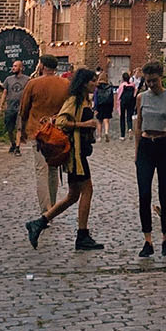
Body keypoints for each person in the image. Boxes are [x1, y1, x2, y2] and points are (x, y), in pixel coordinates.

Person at [25, 68, 104, 251]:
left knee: (73, 195)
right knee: (87, 191)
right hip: (75, 154)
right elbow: (61, 122)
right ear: (84, 83)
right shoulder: (74, 101)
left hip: (81, 152)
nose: (95, 84)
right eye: (93, 81)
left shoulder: (84, 101)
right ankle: (82, 235)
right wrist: (84, 124)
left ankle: (39, 222)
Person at [132, 62, 166, 258]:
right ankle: (147, 240)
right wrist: (137, 151)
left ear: (161, 78)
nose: (151, 85)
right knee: (144, 194)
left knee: (164, 194)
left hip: (164, 146)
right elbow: (139, 125)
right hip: (146, 145)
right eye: (148, 81)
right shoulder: (141, 98)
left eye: (154, 81)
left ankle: (165, 238)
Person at [16, 55, 71, 215]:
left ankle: (45, 208)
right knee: (53, 169)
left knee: (41, 170)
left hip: (38, 131)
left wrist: (23, 130)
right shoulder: (65, 84)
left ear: (42, 66)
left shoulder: (33, 84)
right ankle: (52, 206)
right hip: (57, 131)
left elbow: (24, 109)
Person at [3, 60, 30, 154]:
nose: (13, 68)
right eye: (13, 66)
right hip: (10, 107)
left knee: (19, 128)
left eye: (15, 66)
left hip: (20, 108)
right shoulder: (8, 79)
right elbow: (4, 92)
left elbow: (29, 93)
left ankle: (18, 147)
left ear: (21, 68)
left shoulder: (27, 80)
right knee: (9, 129)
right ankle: (13, 144)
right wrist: (1, 105)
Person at [93, 74, 116, 142]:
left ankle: (99, 136)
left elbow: (95, 99)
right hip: (107, 105)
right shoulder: (109, 87)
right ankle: (106, 132)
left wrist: (95, 108)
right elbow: (111, 99)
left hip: (100, 105)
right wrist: (111, 108)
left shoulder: (97, 88)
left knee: (99, 121)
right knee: (106, 120)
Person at [117, 71, 138, 140]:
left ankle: (122, 135)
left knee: (122, 118)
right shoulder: (132, 85)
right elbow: (135, 94)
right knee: (129, 117)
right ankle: (130, 128)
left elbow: (119, 95)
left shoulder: (122, 85)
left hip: (123, 102)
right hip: (130, 103)